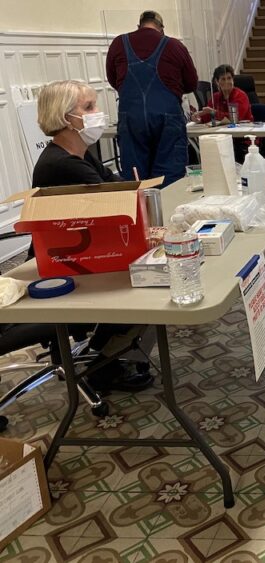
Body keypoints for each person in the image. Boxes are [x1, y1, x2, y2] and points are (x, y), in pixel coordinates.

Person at [31, 80, 153, 392]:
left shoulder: (81, 153)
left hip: (84, 256)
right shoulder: (64, 164)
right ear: (64, 118)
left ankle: (107, 356)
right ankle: (101, 365)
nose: (98, 114)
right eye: (88, 108)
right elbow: (120, 201)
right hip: (67, 268)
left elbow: (118, 189)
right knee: (149, 283)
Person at [106, 10, 198, 186]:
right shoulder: (174, 46)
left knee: (136, 181)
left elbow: (113, 80)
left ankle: (140, 213)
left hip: (132, 120)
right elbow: (191, 84)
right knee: (168, 180)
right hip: (168, 120)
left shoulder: (119, 43)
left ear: (139, 26)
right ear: (161, 29)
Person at [192, 64, 256, 163]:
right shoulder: (215, 97)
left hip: (242, 139)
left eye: (229, 78)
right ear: (217, 82)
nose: (227, 82)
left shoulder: (240, 96)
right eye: (223, 79)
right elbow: (207, 118)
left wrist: (214, 113)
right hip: (221, 138)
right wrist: (198, 118)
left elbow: (235, 118)